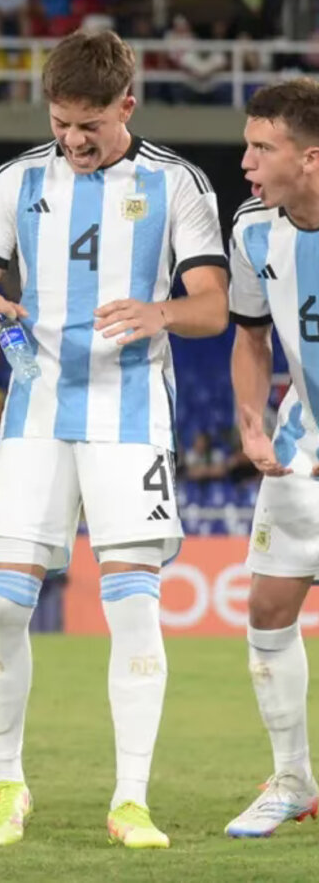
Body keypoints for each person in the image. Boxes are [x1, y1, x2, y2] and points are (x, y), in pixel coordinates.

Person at [0, 29, 229, 848]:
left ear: (126, 105)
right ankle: (6, 785)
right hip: (34, 419)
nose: (74, 139)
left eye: (90, 124)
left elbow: (211, 303)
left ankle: (130, 798)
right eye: (63, 122)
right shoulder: (16, 179)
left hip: (130, 421)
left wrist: (159, 312)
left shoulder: (176, 183)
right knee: (0, 606)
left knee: (133, 611)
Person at [225, 78, 319, 837]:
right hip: (301, 445)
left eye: (264, 148)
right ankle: (292, 779)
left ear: (311, 158)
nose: (247, 161)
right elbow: (251, 338)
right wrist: (252, 422)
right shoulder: (255, 231)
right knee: (267, 607)